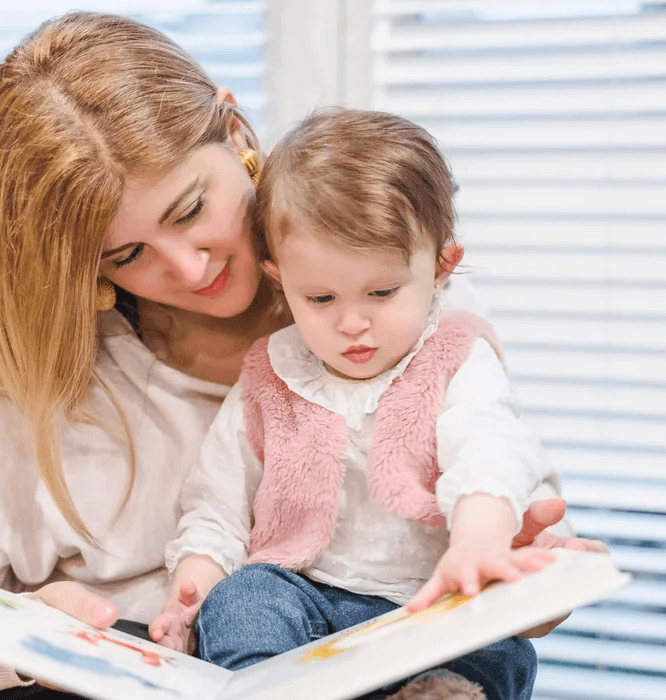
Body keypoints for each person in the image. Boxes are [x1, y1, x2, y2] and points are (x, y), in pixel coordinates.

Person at [0, 12, 601, 700]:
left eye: (190, 209)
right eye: (128, 253)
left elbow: (509, 501)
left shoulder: (408, 309)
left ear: (236, 135)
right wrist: (25, 633)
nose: (187, 267)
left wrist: (522, 582)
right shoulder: (19, 375)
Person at [150, 108, 560, 700]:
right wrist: (193, 583)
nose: (351, 323)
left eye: (382, 292)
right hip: (307, 594)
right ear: (278, 278)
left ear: (443, 267)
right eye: (319, 297)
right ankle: (266, 687)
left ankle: (444, 693)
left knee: (498, 643)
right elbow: (218, 503)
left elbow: (490, 446)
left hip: (427, 599)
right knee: (243, 597)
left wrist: (477, 541)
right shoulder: (272, 373)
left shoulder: (455, 355)